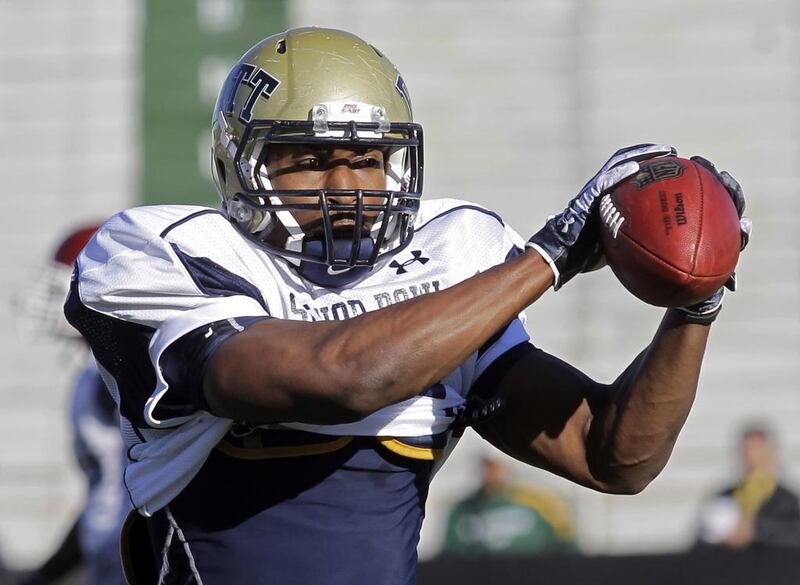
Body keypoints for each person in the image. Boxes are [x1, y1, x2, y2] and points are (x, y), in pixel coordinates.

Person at [63, 27, 750, 585]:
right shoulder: (164, 251)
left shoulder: (451, 256)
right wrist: (549, 256)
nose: (345, 185)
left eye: (368, 158)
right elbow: (346, 378)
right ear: (240, 167)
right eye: (307, 159)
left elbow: (612, 457)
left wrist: (696, 301)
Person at [17, 226, 129, 585]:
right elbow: (105, 495)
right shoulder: (93, 371)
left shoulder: (131, 369)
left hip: (143, 559)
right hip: (113, 556)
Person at [441, 457, 576, 556]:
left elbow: (564, 539)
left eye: (494, 467)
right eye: (487, 467)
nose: (490, 474)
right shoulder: (464, 509)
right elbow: (451, 552)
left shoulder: (534, 500)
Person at [696, 425, 800, 549]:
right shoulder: (724, 496)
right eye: (747, 450)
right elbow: (700, 539)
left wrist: (755, 530)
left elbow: (793, 535)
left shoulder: (786, 499)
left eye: (758, 450)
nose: (751, 457)